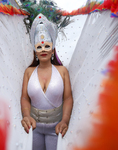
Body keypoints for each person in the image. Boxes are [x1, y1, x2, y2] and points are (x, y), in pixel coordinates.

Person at [20, 13, 73, 150]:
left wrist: (65, 121)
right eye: (39, 47)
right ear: (35, 51)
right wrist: (26, 116)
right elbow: (25, 98)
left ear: (53, 49)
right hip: (34, 128)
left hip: (56, 128)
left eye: (47, 46)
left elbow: (68, 98)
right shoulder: (28, 72)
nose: (43, 49)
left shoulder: (62, 71)